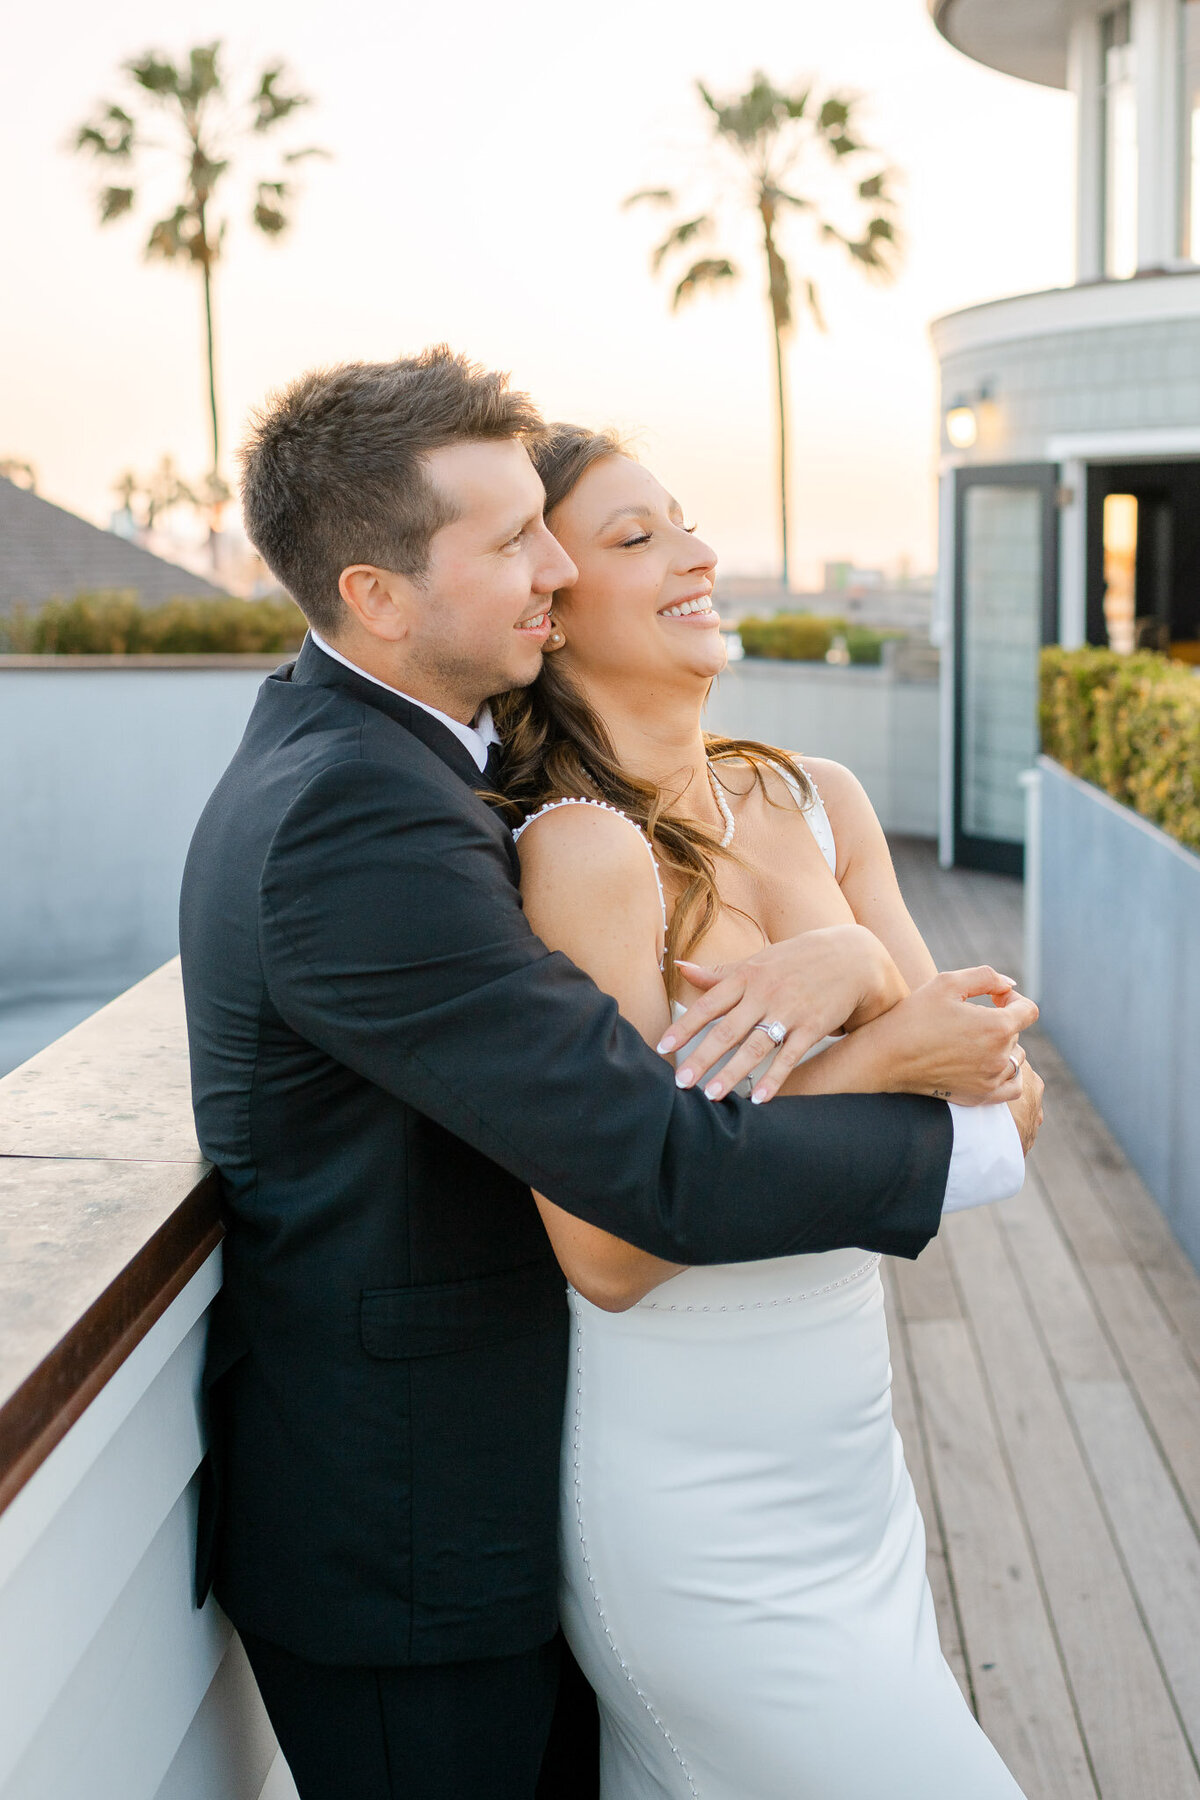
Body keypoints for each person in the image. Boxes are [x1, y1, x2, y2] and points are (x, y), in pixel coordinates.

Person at [177, 349, 1040, 1800]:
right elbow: (629, 1202)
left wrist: (862, 979)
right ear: (380, 596)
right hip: (440, 1522)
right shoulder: (396, 816)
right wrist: (895, 1043)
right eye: (528, 543)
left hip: (827, 1447)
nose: (548, 567)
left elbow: (994, 1068)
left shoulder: (762, 792)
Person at [498, 423, 1038, 1798]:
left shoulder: (814, 798)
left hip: (852, 1460)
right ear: (550, 617)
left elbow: (1003, 1114)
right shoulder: (581, 855)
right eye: (637, 539)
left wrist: (859, 979)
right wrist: (868, 1020)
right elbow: (610, 1251)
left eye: (684, 524)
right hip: (694, 1500)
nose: (698, 555)